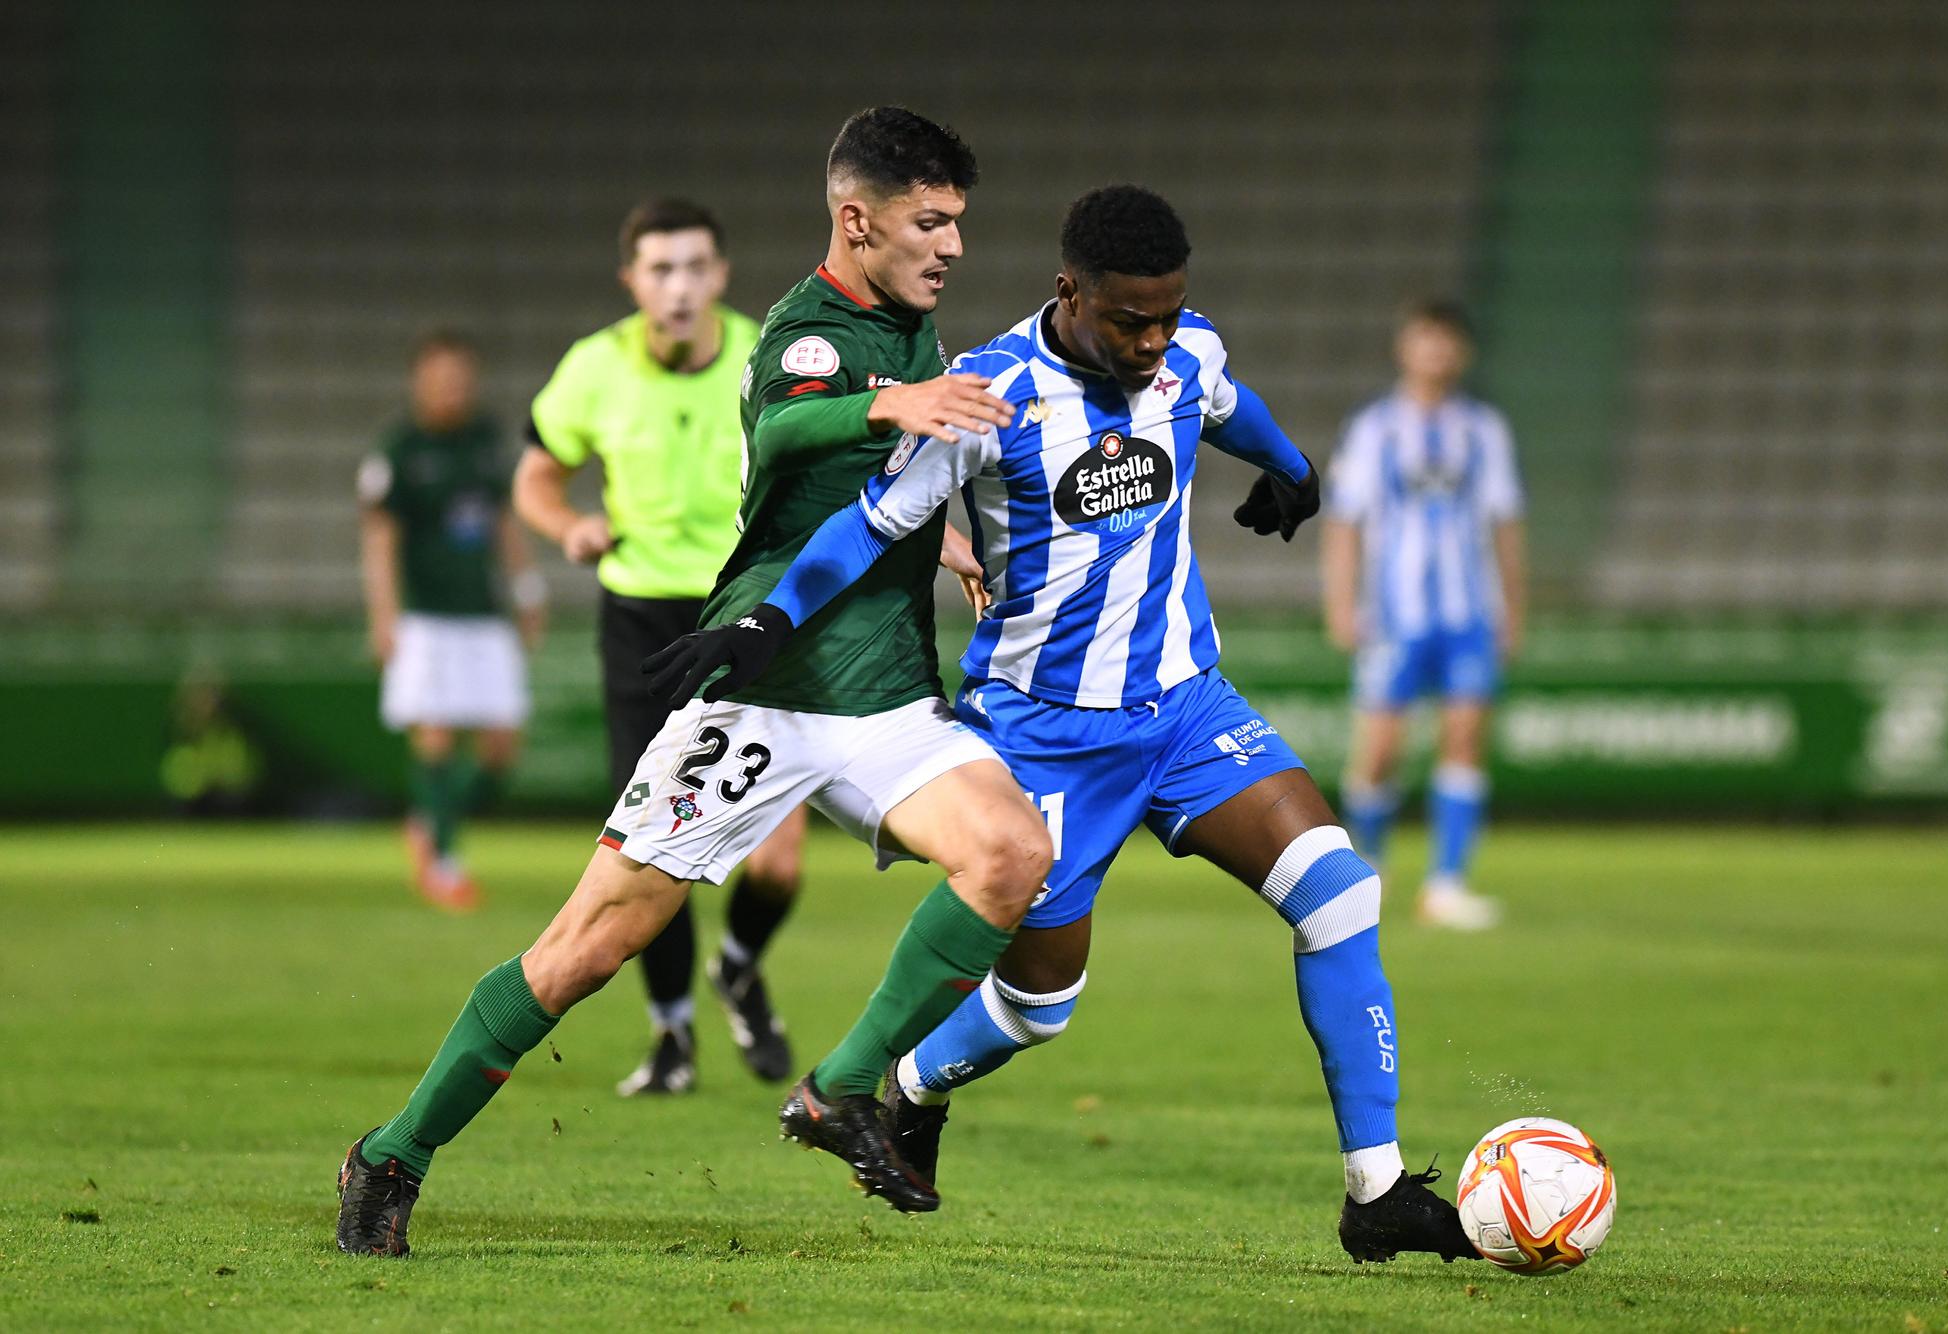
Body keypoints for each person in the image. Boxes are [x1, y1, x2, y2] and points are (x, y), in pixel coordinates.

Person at [648, 186, 1478, 1264]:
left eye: (1167, 316)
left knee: (1337, 891)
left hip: (1184, 707)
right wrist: (766, 617)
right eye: (1129, 319)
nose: (1151, 341)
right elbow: (869, 525)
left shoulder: (1185, 355)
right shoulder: (987, 396)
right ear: (1066, 291)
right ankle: (902, 1083)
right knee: (1040, 1007)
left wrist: (1291, 467)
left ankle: (1374, 1192)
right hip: (1039, 734)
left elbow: (1231, 403)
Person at [336, 107, 1050, 1257]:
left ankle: (841, 1086)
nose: (952, 246)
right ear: (855, 221)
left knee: (1011, 852)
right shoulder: (810, 333)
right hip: (760, 693)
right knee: (584, 949)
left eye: (958, 222)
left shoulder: (916, 328)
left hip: (881, 702)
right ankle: (392, 1151)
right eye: (931, 222)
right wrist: (883, 404)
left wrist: (946, 535)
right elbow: (778, 435)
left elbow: (886, 486)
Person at [514, 199, 806, 1094]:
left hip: (742, 614)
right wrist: (566, 526)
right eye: (660, 270)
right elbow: (535, 473)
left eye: (694, 268)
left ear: (719, 275)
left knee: (781, 858)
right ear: (632, 281)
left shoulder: (768, 359)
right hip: (640, 621)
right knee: (652, 848)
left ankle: (739, 966)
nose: (678, 287)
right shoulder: (593, 368)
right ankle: (673, 1034)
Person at [1320, 300, 1526, 931]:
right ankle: (1369, 871)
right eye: (1425, 341)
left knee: (1465, 737)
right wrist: (1341, 603)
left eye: (1447, 342)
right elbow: (1345, 524)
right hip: (1393, 617)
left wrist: (1514, 609)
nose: (1436, 353)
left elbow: (1506, 523)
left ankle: (1446, 884)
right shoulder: (1373, 430)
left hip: (1468, 612)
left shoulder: (1485, 430)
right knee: (1379, 750)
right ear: (1404, 349)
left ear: (1461, 353)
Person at [359, 332, 544, 911]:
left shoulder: (487, 441)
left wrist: (527, 589)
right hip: (425, 619)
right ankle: (442, 862)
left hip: (484, 616)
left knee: (500, 749)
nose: (452, 389)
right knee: (435, 734)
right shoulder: (398, 450)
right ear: (420, 380)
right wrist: (384, 617)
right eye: (441, 377)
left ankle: (426, 823)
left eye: (461, 378)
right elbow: (379, 539)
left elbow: (505, 523)